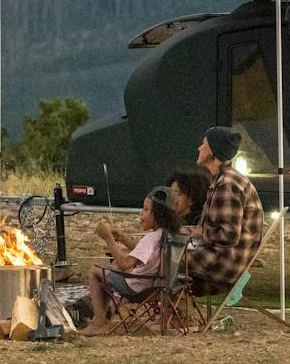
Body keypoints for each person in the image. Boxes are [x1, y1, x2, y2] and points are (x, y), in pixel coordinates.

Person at [78, 187, 180, 334]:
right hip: (161, 286)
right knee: (109, 272)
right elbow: (145, 253)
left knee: (95, 272)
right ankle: (102, 318)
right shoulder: (166, 235)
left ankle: (99, 323)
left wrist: (109, 239)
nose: (141, 214)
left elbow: (125, 264)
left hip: (138, 289)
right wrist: (122, 239)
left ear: (157, 214)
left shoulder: (150, 238)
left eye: (145, 210)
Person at [185, 125, 263, 297]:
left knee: (164, 257)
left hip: (224, 265)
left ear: (213, 151)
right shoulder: (224, 179)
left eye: (204, 144)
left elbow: (228, 236)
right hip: (223, 257)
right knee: (165, 245)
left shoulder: (227, 184)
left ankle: (124, 283)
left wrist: (200, 233)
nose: (199, 148)